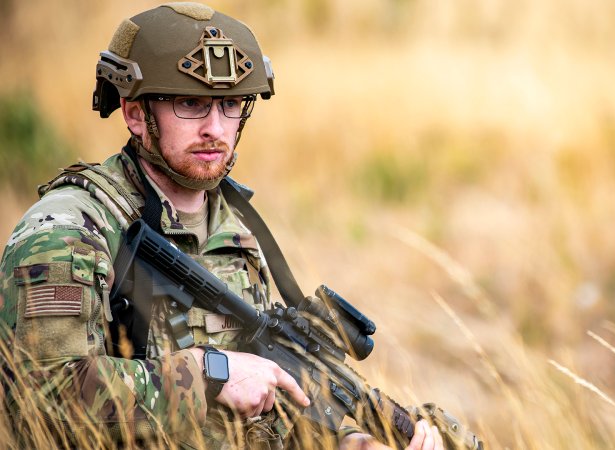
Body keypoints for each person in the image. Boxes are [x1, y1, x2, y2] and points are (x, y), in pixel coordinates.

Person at [0, 3, 442, 449]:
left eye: (230, 104)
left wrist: (351, 442)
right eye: (191, 104)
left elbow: (265, 400)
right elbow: (43, 398)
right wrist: (210, 374)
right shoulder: (69, 231)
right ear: (135, 114)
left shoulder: (233, 225)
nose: (216, 129)